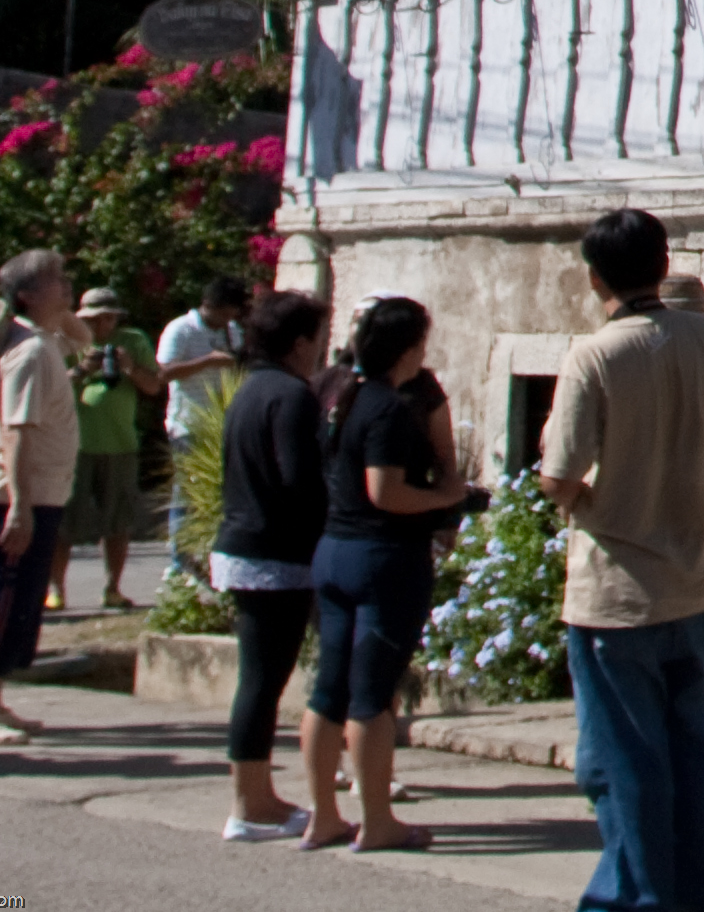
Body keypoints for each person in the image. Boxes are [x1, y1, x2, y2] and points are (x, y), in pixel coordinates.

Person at [541, 208, 704, 912]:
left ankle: (637, 894)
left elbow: (558, 474)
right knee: (697, 752)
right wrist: (702, 467)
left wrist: (590, 498)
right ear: (663, 263)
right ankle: (703, 892)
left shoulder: (597, 353)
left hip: (617, 591)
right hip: (698, 582)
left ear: (594, 277)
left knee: (626, 758)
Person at [303, 295, 473, 851]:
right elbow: (387, 491)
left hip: (334, 549)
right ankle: (377, 821)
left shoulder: (342, 395)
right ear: (410, 347)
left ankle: (323, 815)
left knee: (327, 691)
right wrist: (447, 498)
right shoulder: (393, 409)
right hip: (383, 557)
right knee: (371, 696)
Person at [212, 289, 330, 843]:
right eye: (317, 339)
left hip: (243, 545)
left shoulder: (249, 389)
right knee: (262, 679)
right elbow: (300, 479)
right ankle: (249, 801)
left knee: (259, 677)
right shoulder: (291, 395)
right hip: (275, 553)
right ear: (300, 342)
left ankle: (257, 793)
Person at [0, 249, 81, 747]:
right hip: (12, 498)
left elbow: (86, 336)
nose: (68, 285)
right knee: (0, 599)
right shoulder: (29, 352)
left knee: (20, 603)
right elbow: (17, 433)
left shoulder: (42, 339)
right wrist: (20, 506)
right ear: (29, 294)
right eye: (57, 280)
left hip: (37, 495)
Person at [50, 287, 146, 613]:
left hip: (120, 444)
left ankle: (113, 588)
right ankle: (55, 590)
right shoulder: (65, 341)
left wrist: (130, 367)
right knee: (64, 521)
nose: (103, 324)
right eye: (95, 318)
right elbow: (49, 388)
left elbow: (155, 385)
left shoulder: (132, 340)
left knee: (118, 521)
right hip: (73, 445)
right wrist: (82, 371)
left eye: (109, 317)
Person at [155, 276, 252, 570]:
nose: (228, 320)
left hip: (222, 421)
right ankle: (180, 561)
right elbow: (164, 373)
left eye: (232, 315)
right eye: (224, 313)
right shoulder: (181, 329)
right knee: (186, 493)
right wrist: (207, 361)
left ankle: (210, 555)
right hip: (189, 424)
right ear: (209, 305)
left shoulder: (233, 331)